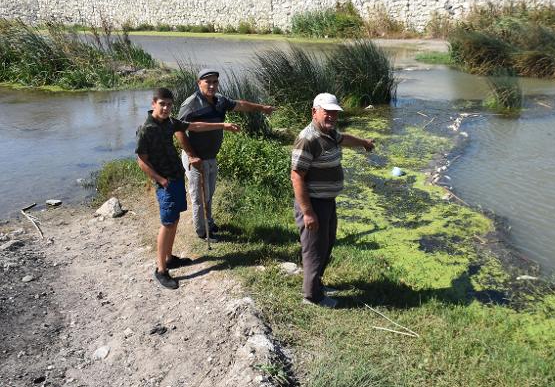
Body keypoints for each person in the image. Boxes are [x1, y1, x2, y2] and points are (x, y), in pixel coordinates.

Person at [135, 87, 241, 289]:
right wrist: (160, 179)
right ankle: (161, 270)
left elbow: (195, 126)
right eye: (162, 104)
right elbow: (142, 161)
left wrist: (223, 125)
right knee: (167, 223)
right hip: (165, 182)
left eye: (169, 105)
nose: (166, 108)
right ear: (153, 104)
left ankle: (169, 258)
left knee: (174, 219)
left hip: (175, 178)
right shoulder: (146, 129)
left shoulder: (170, 123)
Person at [291, 93, 375, 307]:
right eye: (326, 111)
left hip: (327, 201)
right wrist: (308, 212)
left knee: (326, 244)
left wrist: (363, 143)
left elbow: (343, 138)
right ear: (314, 112)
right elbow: (297, 176)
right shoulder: (308, 139)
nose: (331, 116)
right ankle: (312, 296)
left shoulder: (329, 132)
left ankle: (316, 284)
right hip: (313, 203)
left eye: (335, 112)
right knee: (314, 250)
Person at [176, 68, 275, 241]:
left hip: (211, 156)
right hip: (196, 158)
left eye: (215, 82)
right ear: (199, 83)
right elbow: (178, 130)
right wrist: (191, 156)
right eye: (208, 82)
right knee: (199, 196)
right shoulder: (190, 104)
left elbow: (241, 104)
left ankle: (209, 222)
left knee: (209, 192)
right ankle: (202, 231)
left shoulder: (220, 100)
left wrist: (262, 108)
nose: (212, 86)